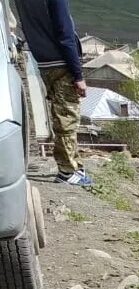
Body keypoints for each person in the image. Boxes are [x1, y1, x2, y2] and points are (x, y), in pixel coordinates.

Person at [12, 0, 91, 187]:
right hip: (61, 61)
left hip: (43, 61)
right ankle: (68, 171)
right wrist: (78, 74)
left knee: (59, 115)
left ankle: (74, 166)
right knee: (67, 117)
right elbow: (64, 31)